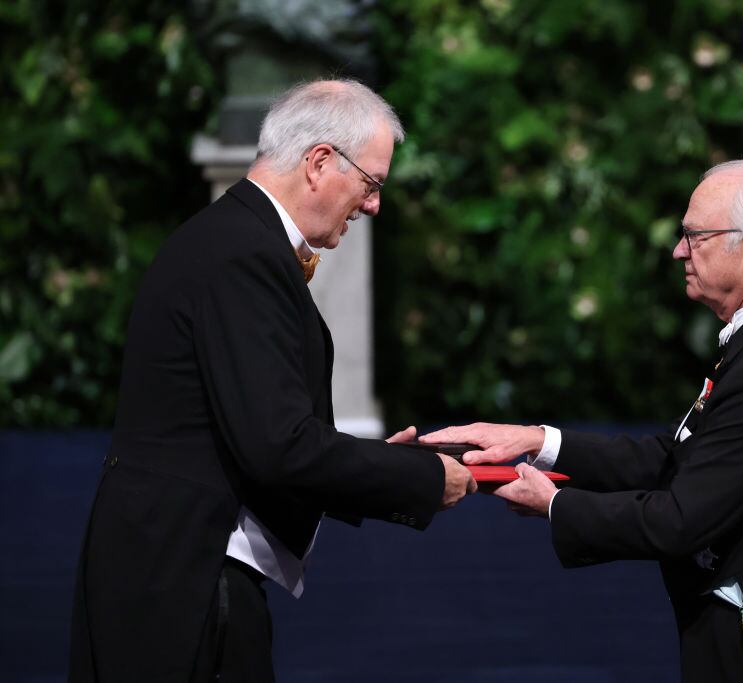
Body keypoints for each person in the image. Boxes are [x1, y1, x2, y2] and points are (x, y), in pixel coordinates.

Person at [68, 80, 477, 683]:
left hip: (169, 575)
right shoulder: (243, 253)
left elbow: (255, 431)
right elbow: (277, 446)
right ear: (318, 163)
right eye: (372, 183)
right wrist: (416, 477)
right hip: (183, 587)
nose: (373, 206)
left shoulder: (233, 239)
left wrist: (372, 465)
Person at [422, 160, 743, 682]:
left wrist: (556, 504)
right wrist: (536, 440)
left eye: (696, 236)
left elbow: (679, 519)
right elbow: (678, 458)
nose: (679, 250)